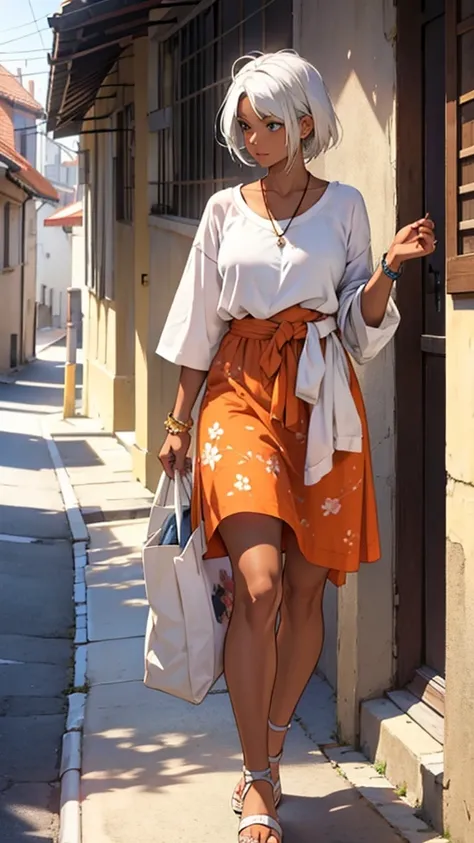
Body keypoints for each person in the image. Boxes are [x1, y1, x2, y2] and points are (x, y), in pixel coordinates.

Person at [156, 51, 436, 843]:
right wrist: (180, 423)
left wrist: (387, 269)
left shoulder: (344, 206)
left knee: (308, 592)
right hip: (238, 394)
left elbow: (358, 322)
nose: (251, 137)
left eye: (267, 123)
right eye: (244, 124)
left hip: (321, 400)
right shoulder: (221, 210)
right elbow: (198, 323)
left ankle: (269, 753)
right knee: (260, 582)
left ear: (305, 122)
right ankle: (253, 784)